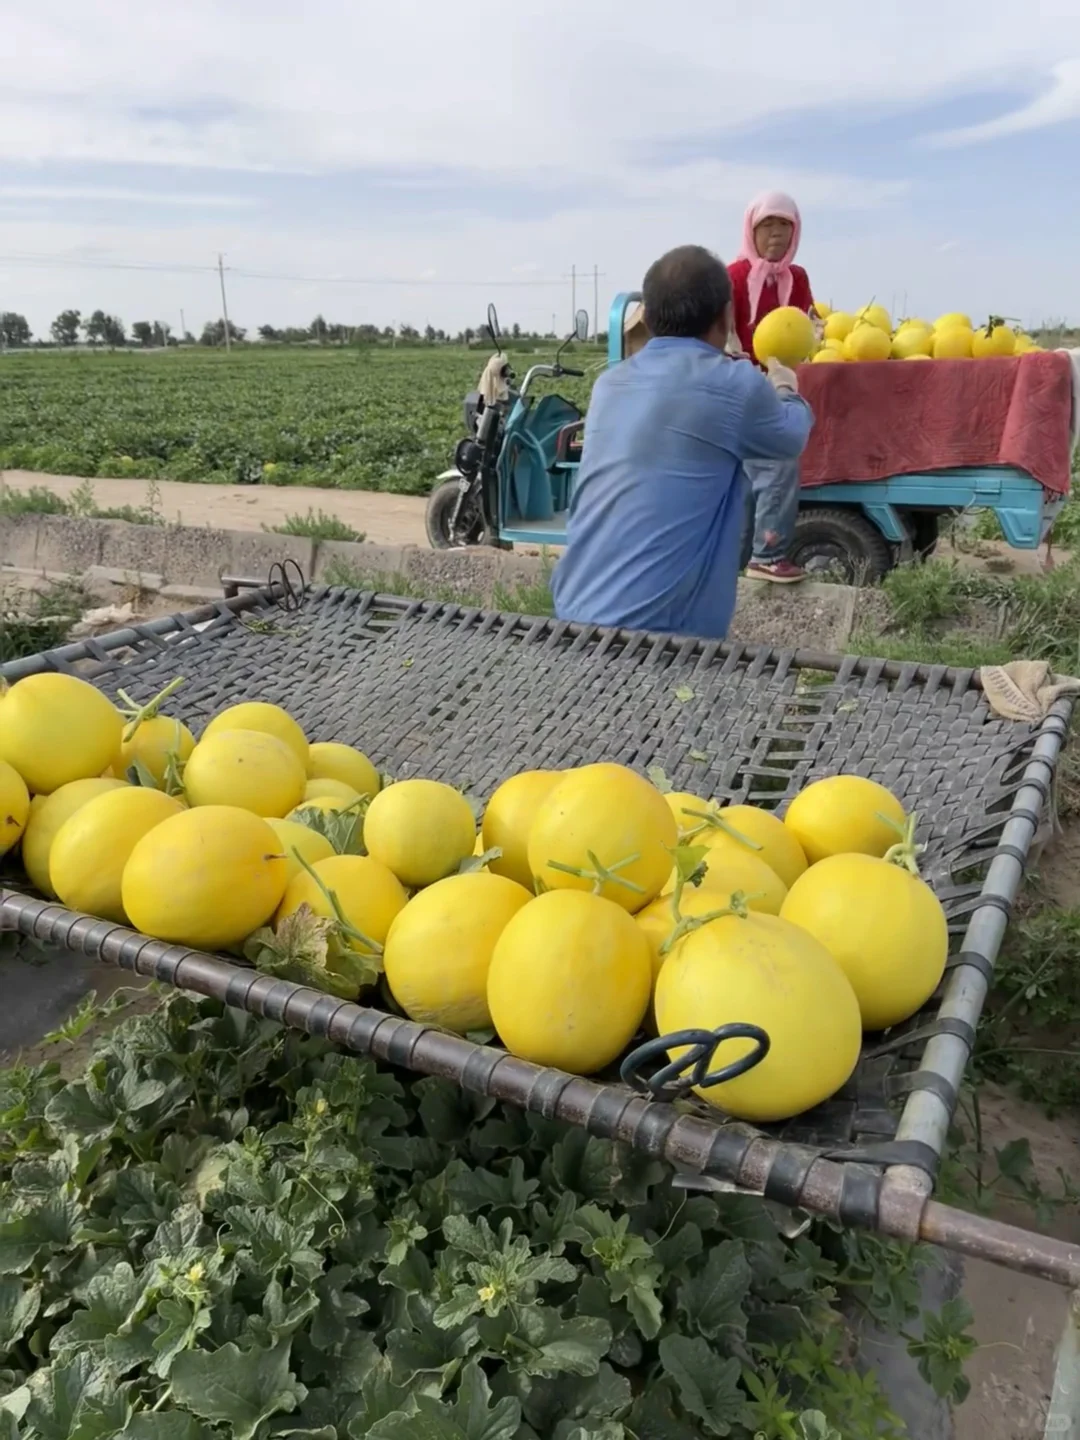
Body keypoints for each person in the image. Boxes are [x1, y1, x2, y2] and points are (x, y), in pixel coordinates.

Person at [550, 245, 813, 641]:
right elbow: (791, 436)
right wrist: (786, 387)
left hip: (572, 614)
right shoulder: (736, 384)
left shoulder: (610, 384)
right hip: (662, 639)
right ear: (727, 315)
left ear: (650, 318)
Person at [727, 191, 817, 583]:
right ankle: (767, 554)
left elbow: (802, 327)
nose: (776, 234)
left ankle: (740, 562)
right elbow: (725, 334)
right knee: (776, 460)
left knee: (751, 482)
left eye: (784, 225)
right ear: (752, 229)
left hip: (782, 383)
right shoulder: (732, 276)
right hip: (743, 386)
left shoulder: (797, 278)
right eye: (768, 225)